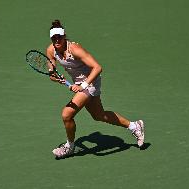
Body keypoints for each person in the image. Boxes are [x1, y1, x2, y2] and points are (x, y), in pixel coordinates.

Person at [46, 20, 145, 158]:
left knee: (66, 114)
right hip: (79, 83)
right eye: (53, 37)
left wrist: (83, 85)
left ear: (64, 36)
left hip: (90, 82)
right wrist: (56, 77)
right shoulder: (51, 50)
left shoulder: (75, 49)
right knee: (99, 115)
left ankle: (69, 147)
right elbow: (52, 74)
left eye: (59, 37)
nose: (57, 40)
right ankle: (134, 126)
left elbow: (97, 67)